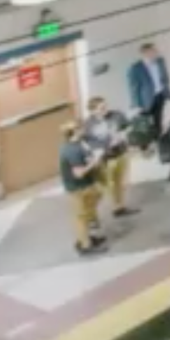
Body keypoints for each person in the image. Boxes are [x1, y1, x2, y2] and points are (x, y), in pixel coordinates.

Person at [59, 120, 108, 256]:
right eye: (80, 128)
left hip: (87, 186)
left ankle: (86, 238)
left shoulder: (78, 144)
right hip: (78, 189)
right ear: (74, 131)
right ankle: (85, 245)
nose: (83, 129)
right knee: (81, 217)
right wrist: (94, 161)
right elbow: (79, 173)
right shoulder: (71, 150)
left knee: (86, 214)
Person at [82, 98, 137, 218]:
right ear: (92, 111)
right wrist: (105, 146)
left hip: (121, 153)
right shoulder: (88, 125)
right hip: (106, 158)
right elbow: (88, 143)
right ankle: (92, 214)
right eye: (101, 108)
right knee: (106, 186)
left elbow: (128, 126)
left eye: (105, 106)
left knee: (121, 183)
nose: (105, 109)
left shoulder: (116, 115)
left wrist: (123, 134)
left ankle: (119, 207)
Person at [127, 43, 170, 137]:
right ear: (146, 53)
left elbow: (165, 78)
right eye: (154, 50)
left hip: (160, 96)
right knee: (146, 124)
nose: (157, 52)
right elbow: (133, 88)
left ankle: (158, 138)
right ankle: (148, 141)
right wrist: (137, 105)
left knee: (158, 119)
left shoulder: (161, 61)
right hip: (145, 101)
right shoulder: (135, 68)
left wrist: (167, 91)